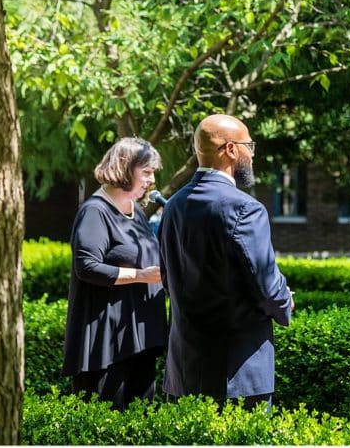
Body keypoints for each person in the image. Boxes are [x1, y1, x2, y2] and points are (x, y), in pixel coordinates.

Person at [159, 114, 293, 410]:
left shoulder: (173, 206)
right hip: (238, 372)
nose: (252, 154)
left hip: (184, 368)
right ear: (231, 149)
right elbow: (267, 286)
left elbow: (168, 280)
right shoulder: (246, 208)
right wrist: (286, 302)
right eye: (249, 146)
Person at [61, 137, 166, 410]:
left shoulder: (137, 212)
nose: (151, 180)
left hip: (139, 340)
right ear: (124, 169)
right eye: (146, 172)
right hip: (106, 344)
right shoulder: (95, 212)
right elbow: (87, 267)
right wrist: (141, 276)